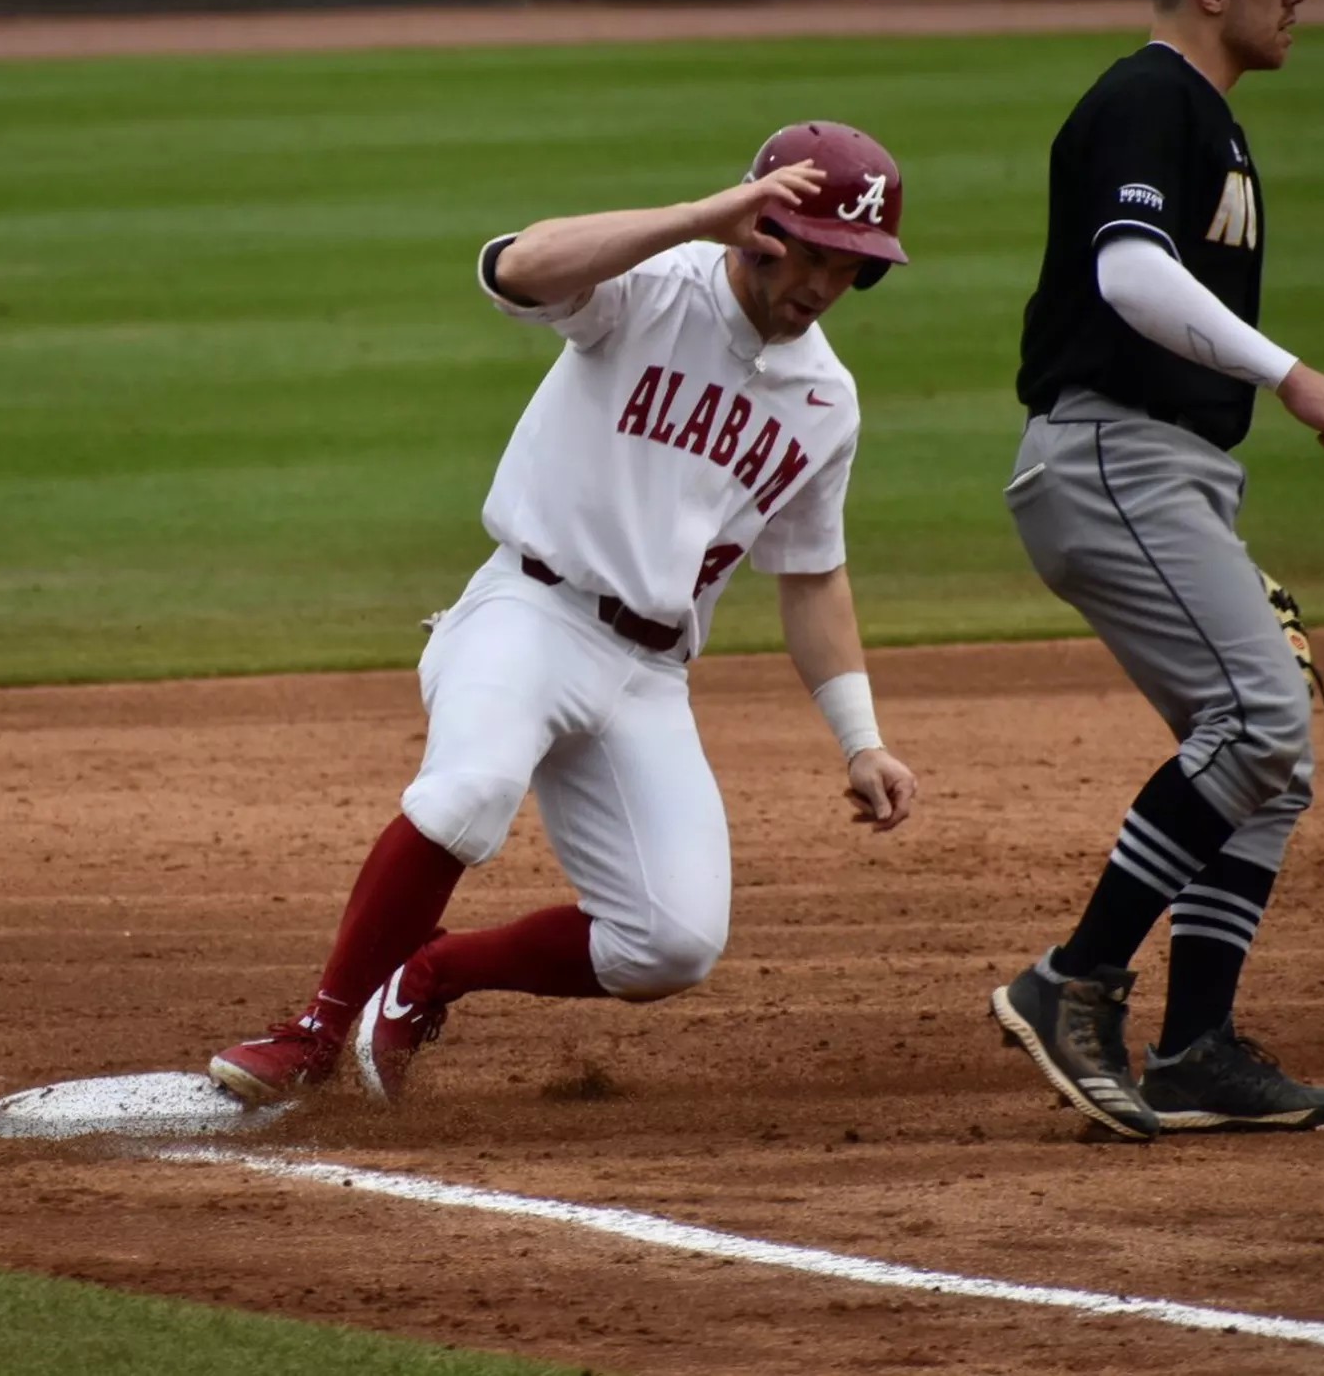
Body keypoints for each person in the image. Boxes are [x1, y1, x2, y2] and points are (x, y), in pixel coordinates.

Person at [210, 122, 922, 1107]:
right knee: (467, 795)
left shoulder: (824, 400)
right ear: (755, 225)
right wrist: (698, 215)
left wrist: (860, 740)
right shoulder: (653, 284)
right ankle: (314, 1029)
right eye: (808, 250)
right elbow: (514, 263)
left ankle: (427, 974)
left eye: (848, 266)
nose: (822, 282)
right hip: (529, 613)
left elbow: (809, 575)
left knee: (671, 941)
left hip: (650, 673)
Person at [990, 0, 1324, 1140]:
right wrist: (1285, 370)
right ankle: (1070, 980)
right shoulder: (1149, 96)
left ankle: (1196, 1043)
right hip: (1113, 459)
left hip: (1165, 471)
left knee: (1268, 759)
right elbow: (1127, 271)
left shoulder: (1204, 116)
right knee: (1254, 714)